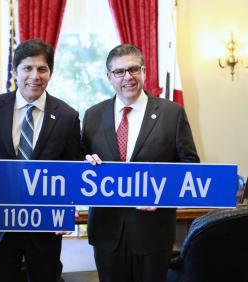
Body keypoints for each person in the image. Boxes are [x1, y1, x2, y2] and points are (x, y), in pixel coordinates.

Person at [0, 38, 81, 282]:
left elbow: (73, 167)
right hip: (0, 222)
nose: (34, 76)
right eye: (27, 68)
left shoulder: (68, 116)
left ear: (50, 73)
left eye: (42, 69)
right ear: (14, 71)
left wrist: (67, 211)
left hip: (46, 225)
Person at [81, 44, 200, 282]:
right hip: (106, 233)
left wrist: (162, 196)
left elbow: (191, 167)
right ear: (109, 77)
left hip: (153, 232)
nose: (128, 77)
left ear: (144, 72)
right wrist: (84, 162)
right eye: (119, 72)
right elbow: (78, 162)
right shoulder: (92, 115)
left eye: (134, 69)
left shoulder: (172, 113)